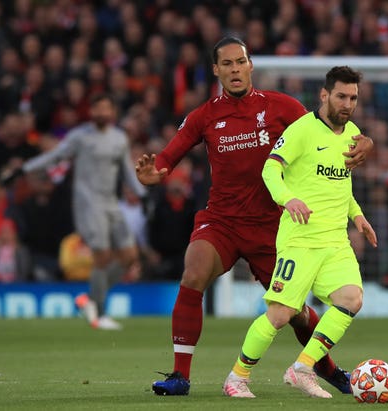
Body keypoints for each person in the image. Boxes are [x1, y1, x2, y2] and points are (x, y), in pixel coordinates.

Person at [135, 37, 373, 396]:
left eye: (240, 62)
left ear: (250, 66)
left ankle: (325, 368)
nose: (234, 69)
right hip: (223, 222)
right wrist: (158, 171)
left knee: (291, 311)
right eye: (226, 63)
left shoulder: (281, 107)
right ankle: (180, 375)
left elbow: (325, 129)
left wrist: (365, 141)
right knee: (194, 272)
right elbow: (170, 155)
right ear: (216, 70)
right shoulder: (204, 115)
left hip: (273, 227)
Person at [222, 65, 376, 398]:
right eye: (341, 96)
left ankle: (303, 368)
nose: (347, 104)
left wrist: (358, 215)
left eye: (353, 97)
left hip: (335, 241)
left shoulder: (352, 133)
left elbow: (339, 184)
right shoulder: (301, 130)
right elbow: (270, 169)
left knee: (351, 299)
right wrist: (287, 198)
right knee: (280, 314)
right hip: (301, 240)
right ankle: (237, 376)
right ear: (324, 95)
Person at [4, 93, 146, 330]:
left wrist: (143, 195)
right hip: (88, 204)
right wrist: (23, 170)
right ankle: (99, 313)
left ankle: (90, 299)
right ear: (91, 112)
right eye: (97, 108)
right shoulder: (80, 137)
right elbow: (54, 156)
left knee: (129, 256)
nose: (101, 113)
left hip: (111, 203)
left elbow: (126, 171)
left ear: (112, 113)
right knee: (102, 256)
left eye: (105, 108)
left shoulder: (119, 138)